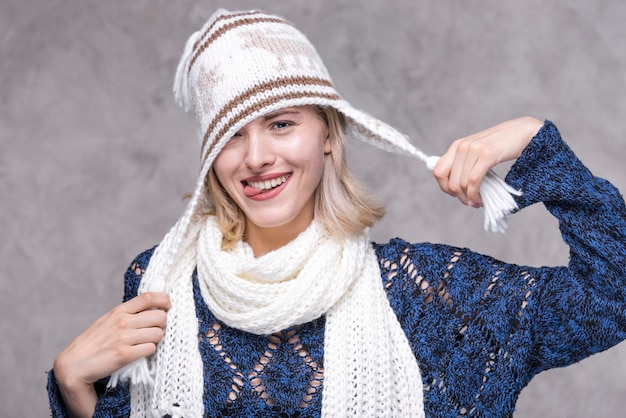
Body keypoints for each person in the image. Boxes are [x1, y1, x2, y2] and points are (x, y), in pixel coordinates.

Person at [48, 8, 626, 418]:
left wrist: (533, 141)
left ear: (327, 131)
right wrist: (74, 388)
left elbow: (614, 296)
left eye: (281, 123)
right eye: (230, 135)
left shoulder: (428, 297)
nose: (256, 158)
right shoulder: (159, 289)